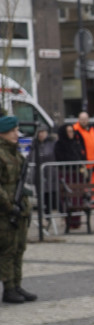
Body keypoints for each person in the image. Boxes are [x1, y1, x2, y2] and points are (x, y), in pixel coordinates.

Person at [0, 115, 37, 304]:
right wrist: (9, 205)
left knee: (19, 248)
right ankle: (8, 288)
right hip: (5, 211)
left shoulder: (16, 153)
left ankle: (17, 284)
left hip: (19, 207)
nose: (17, 134)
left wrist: (23, 205)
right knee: (7, 249)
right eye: (13, 131)